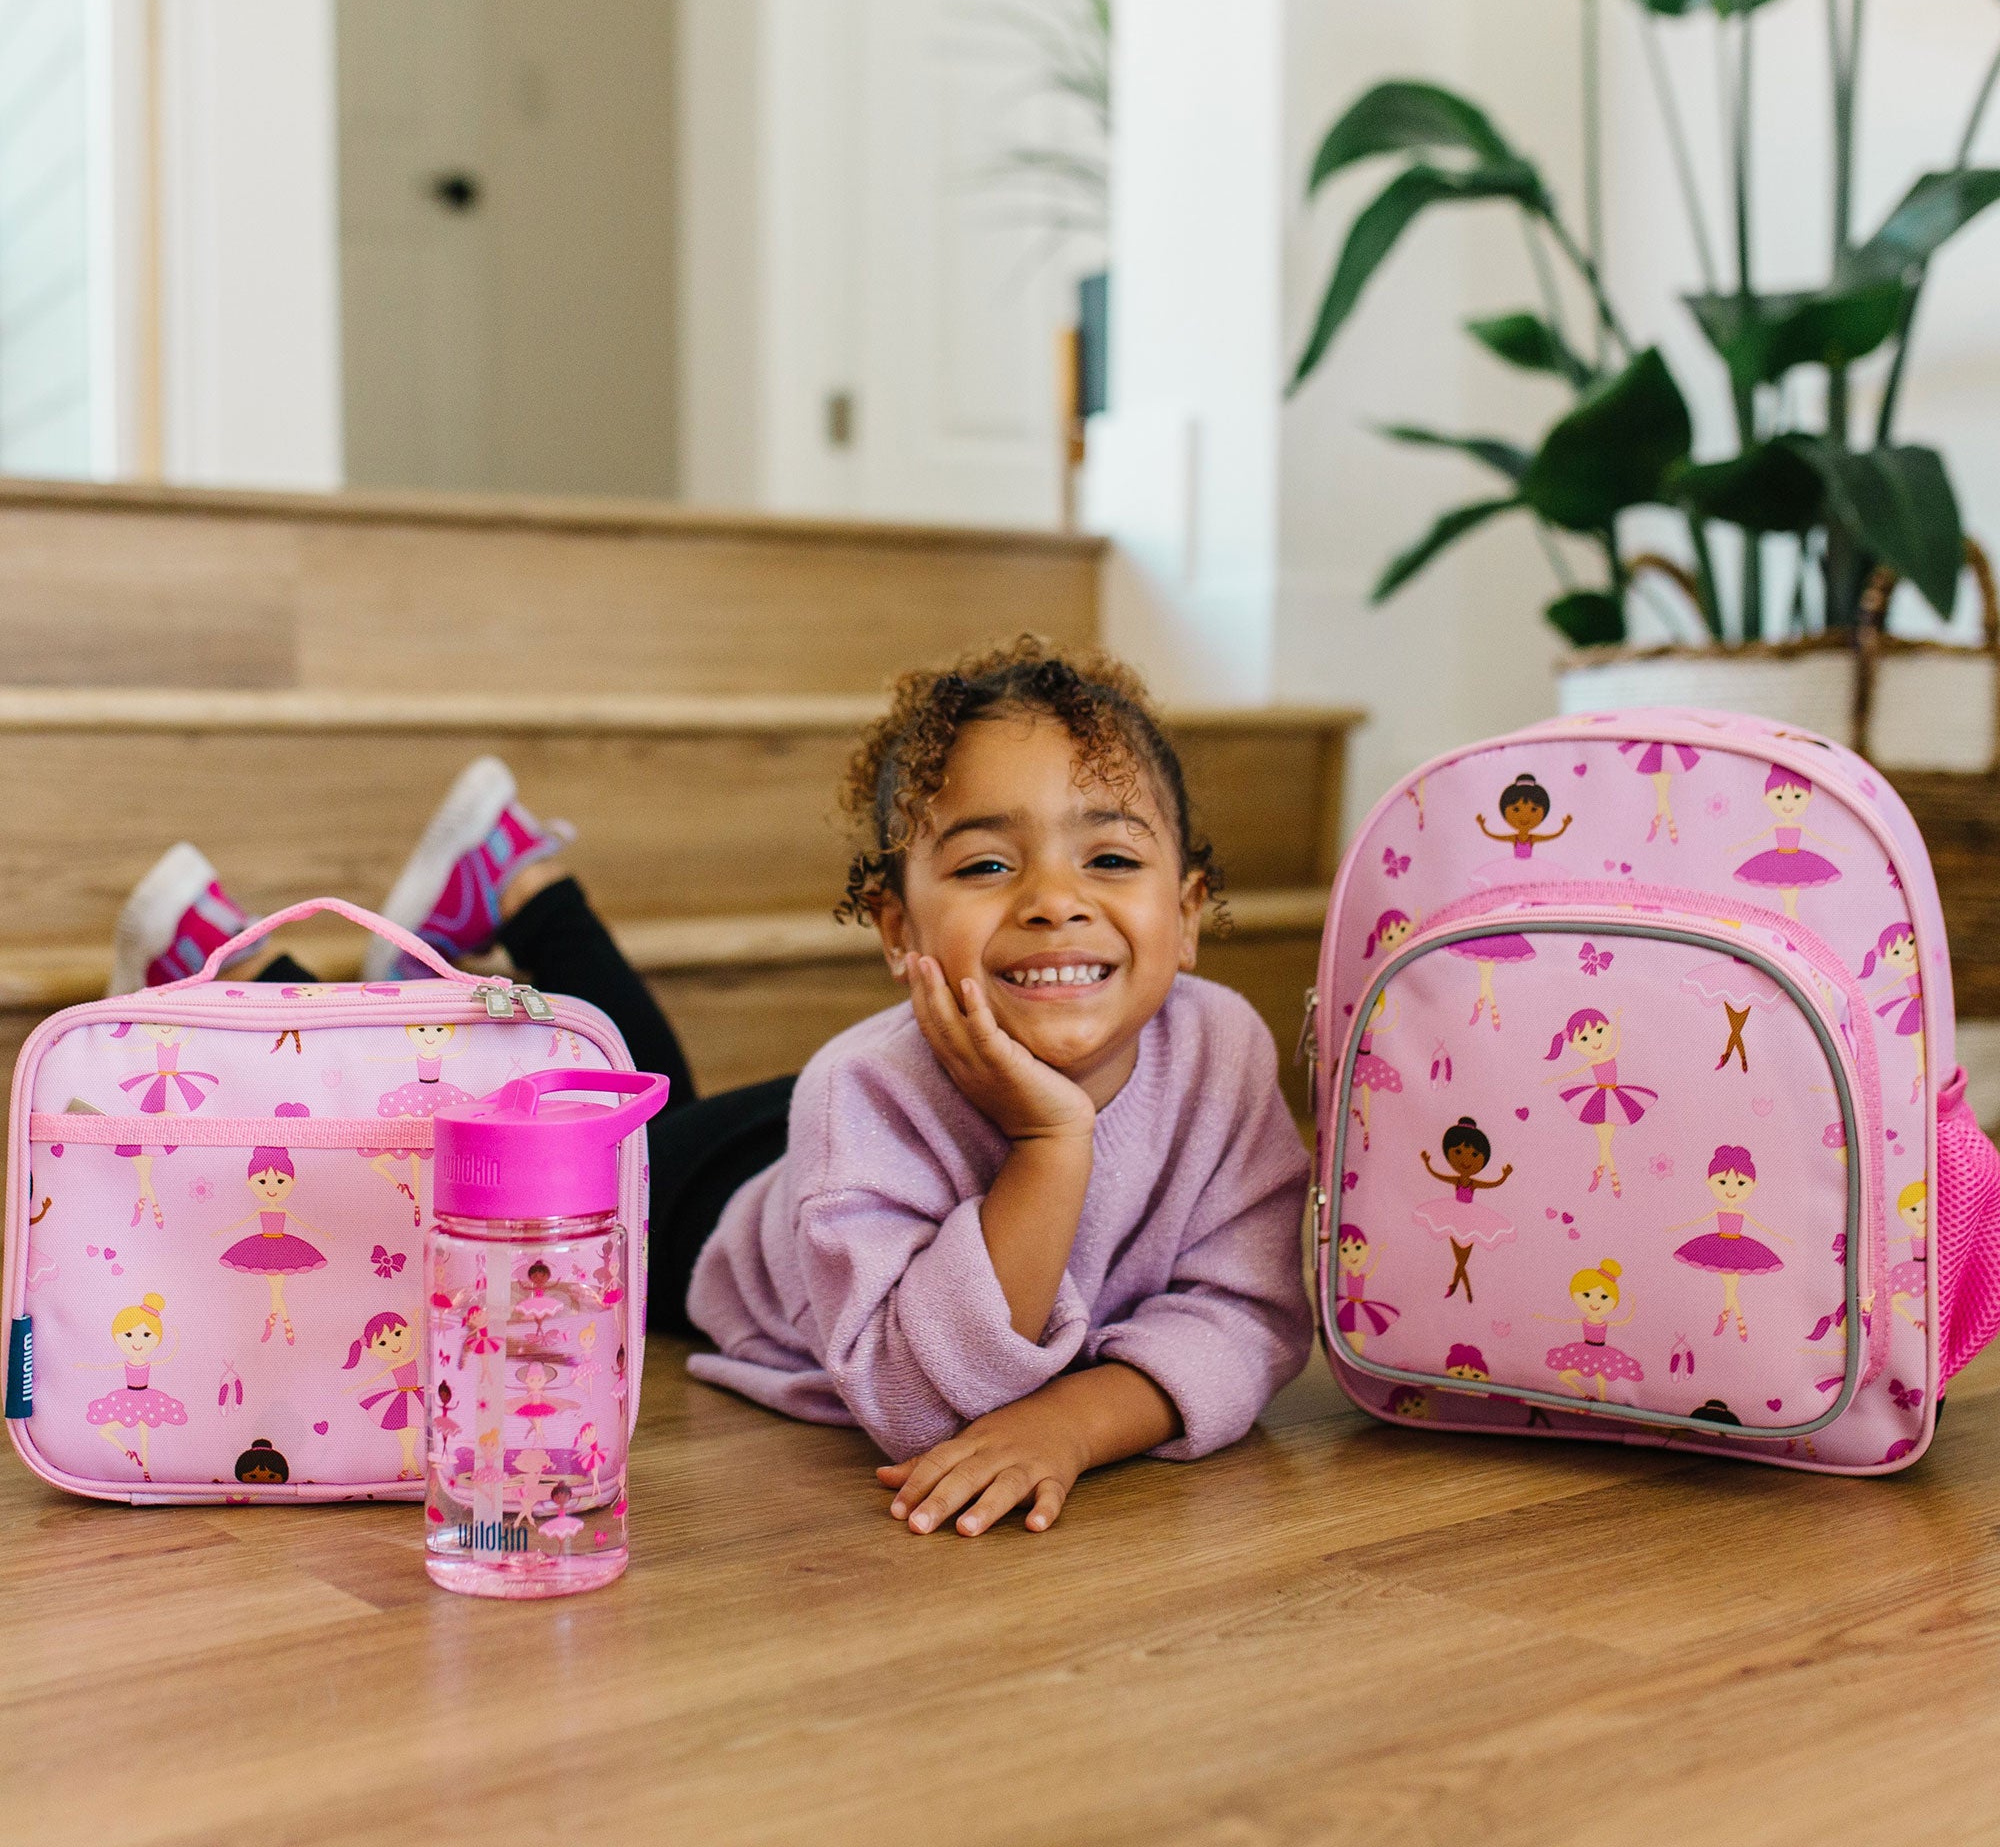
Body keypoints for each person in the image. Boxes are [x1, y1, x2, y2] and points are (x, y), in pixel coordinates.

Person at [109, 638, 1312, 1538]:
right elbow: (909, 1395)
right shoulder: (865, 1089)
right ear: (898, 929)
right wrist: (1050, 1141)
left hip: (784, 1143)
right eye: (989, 862)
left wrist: (1082, 1417)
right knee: (580, 1131)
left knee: (643, 1089)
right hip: (714, 1211)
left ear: (1190, 916)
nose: (1055, 896)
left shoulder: (1221, 1053)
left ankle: (518, 891)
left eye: (1109, 856)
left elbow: (1248, 1310)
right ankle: (235, 968)